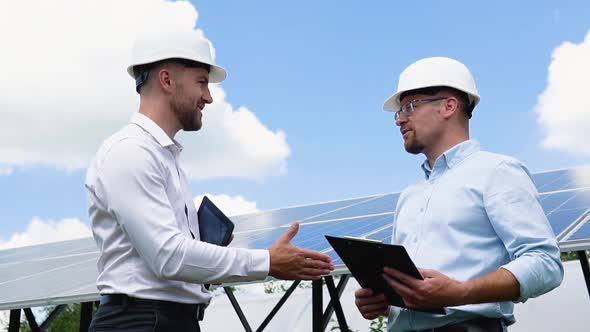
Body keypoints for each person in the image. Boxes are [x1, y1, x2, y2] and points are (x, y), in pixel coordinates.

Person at [85, 29, 333, 332]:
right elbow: (169, 256)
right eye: (201, 82)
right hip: (139, 322)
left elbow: (172, 258)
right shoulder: (130, 152)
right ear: (166, 80)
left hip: (167, 320)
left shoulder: (163, 157)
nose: (209, 97)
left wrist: (207, 251)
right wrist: (267, 261)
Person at [354, 57, 563, 332]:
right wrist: (384, 301)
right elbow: (416, 286)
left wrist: (460, 292)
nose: (400, 119)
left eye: (410, 107)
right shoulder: (409, 196)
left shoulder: (497, 171)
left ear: (448, 106)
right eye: (399, 111)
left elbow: (545, 263)